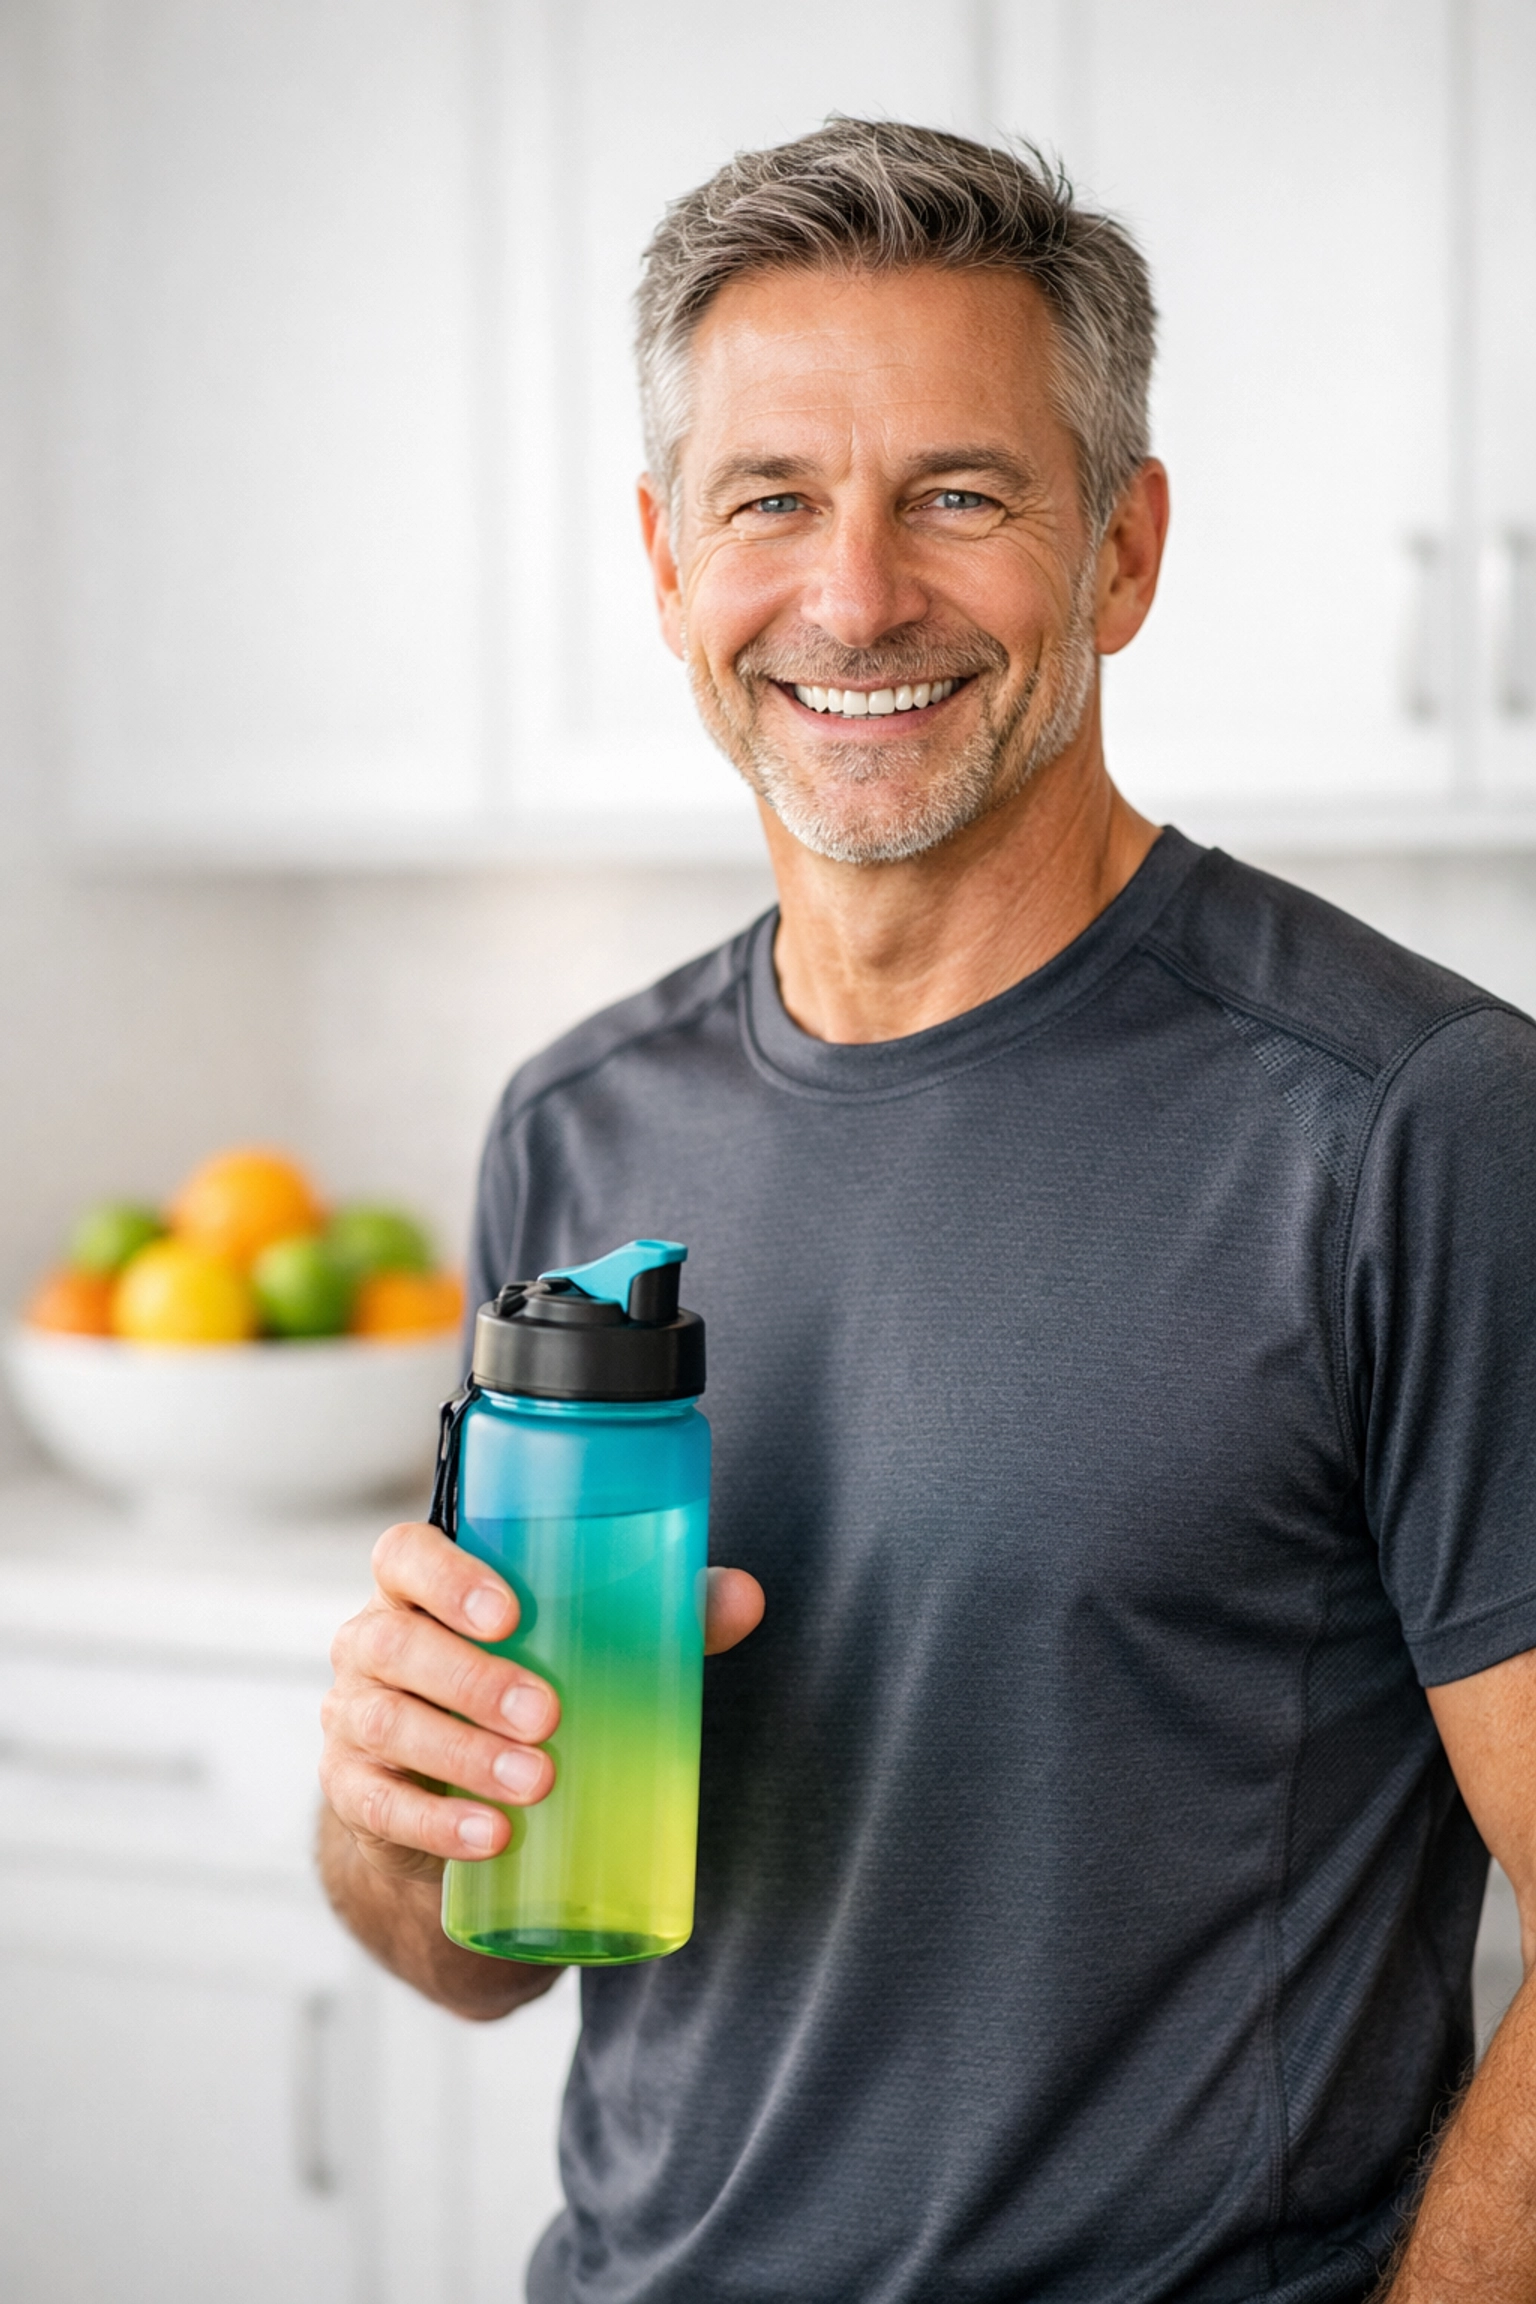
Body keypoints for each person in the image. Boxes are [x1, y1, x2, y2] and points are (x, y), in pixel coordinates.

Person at [318, 121, 1536, 2303]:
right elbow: (478, 1954)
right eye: (770, 500)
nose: (858, 596)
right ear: (667, 562)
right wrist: (392, 1799)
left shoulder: (1413, 1126)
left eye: (961, 496)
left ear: (1123, 550)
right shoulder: (575, 1127)